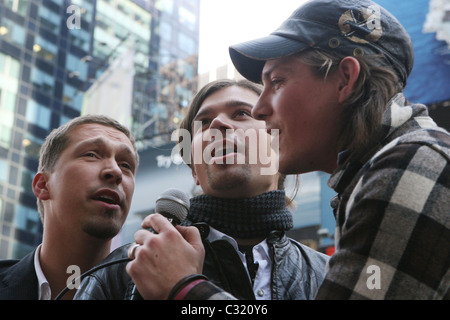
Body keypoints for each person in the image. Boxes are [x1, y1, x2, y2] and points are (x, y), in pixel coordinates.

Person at [129, 0, 450, 300]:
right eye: (204, 122)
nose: (261, 108)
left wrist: (186, 289)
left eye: (277, 81)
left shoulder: (407, 168)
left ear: (344, 80)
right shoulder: (385, 168)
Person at [74, 79, 329, 300]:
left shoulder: (328, 275)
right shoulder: (122, 269)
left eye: (241, 113)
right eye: (204, 122)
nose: (218, 123)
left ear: (281, 146)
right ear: (195, 171)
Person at [0, 115, 139, 299]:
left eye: (125, 165)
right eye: (91, 155)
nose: (115, 171)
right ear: (43, 185)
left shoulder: (154, 293)